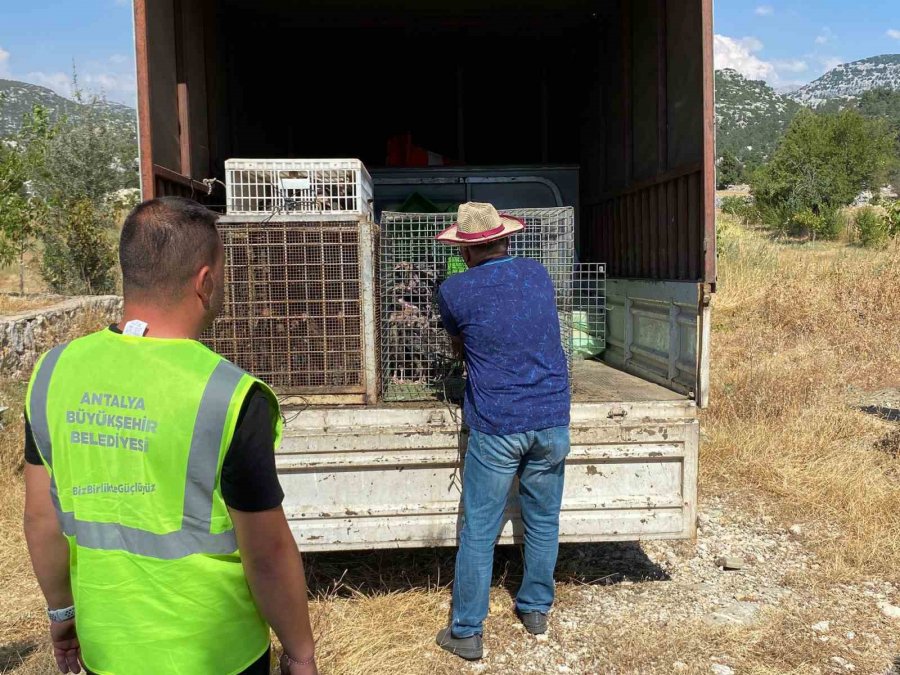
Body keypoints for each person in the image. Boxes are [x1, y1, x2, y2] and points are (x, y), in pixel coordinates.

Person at [22, 197, 317, 675]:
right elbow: (267, 553)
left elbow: (41, 518)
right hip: (221, 656)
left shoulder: (53, 373)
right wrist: (300, 652)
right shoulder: (230, 395)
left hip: (107, 651)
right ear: (205, 282)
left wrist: (62, 614)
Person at [433, 202, 571, 661]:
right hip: (552, 419)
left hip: (498, 426)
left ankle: (467, 631)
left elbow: (460, 347)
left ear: (466, 251)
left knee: (479, 529)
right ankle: (535, 609)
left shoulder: (454, 290)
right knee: (544, 519)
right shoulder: (538, 275)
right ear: (505, 238)